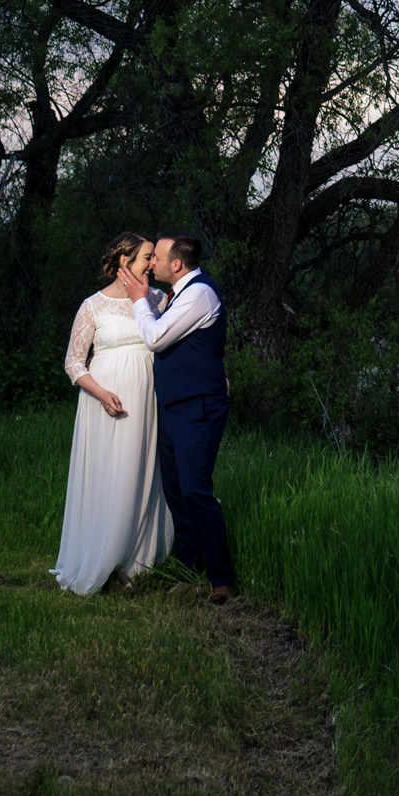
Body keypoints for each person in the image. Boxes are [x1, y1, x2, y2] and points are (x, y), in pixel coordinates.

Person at [50, 232, 173, 594]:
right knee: (110, 474)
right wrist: (101, 393)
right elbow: (73, 362)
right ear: (125, 261)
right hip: (106, 404)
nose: (153, 263)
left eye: (153, 257)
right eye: (147, 257)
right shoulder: (93, 306)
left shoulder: (157, 299)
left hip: (147, 401)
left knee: (143, 473)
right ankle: (102, 558)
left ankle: (138, 561)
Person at [123, 231, 236, 603]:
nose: (151, 262)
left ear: (176, 264)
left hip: (199, 406)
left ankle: (222, 578)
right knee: (176, 490)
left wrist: (139, 300)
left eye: (156, 257)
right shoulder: (176, 296)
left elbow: (155, 337)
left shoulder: (200, 293)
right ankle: (188, 564)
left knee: (195, 490)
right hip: (174, 405)